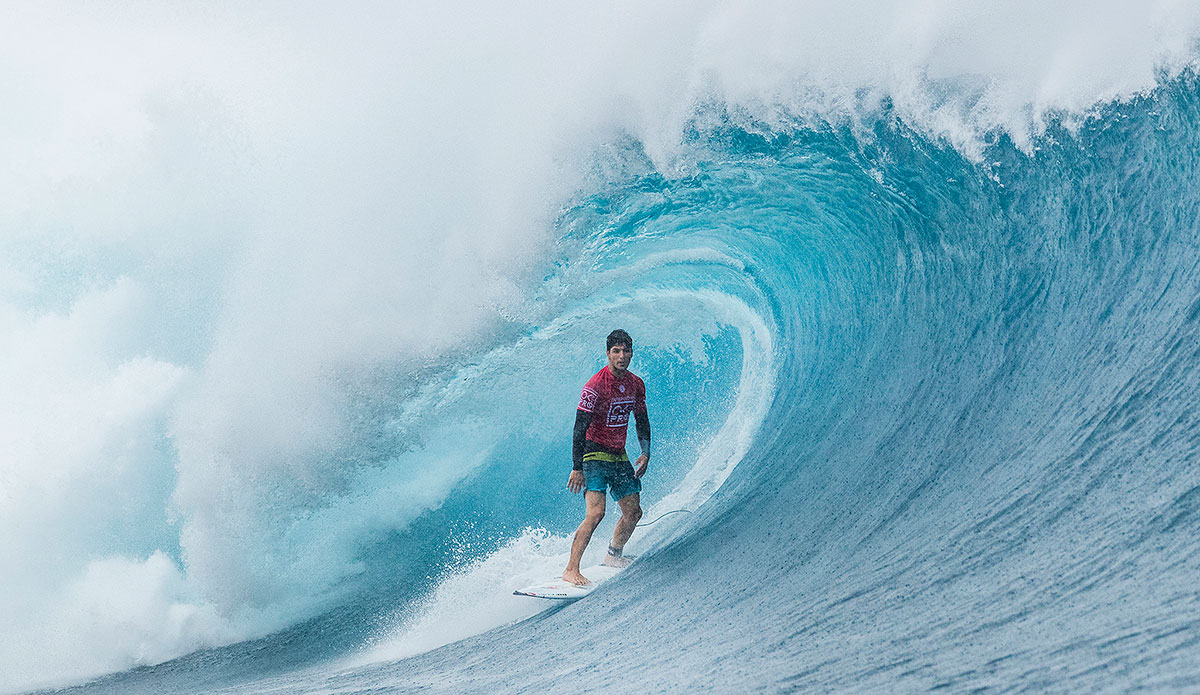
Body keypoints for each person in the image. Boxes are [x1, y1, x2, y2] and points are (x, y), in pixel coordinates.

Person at [562, 329, 651, 586]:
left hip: (618, 455)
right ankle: (571, 569)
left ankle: (614, 554)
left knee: (633, 512)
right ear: (608, 354)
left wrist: (645, 452)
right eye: (616, 351)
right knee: (596, 513)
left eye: (626, 351)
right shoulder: (595, 386)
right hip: (593, 455)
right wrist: (577, 467)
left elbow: (642, 420)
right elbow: (579, 428)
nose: (622, 356)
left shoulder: (636, 384)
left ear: (631, 353)